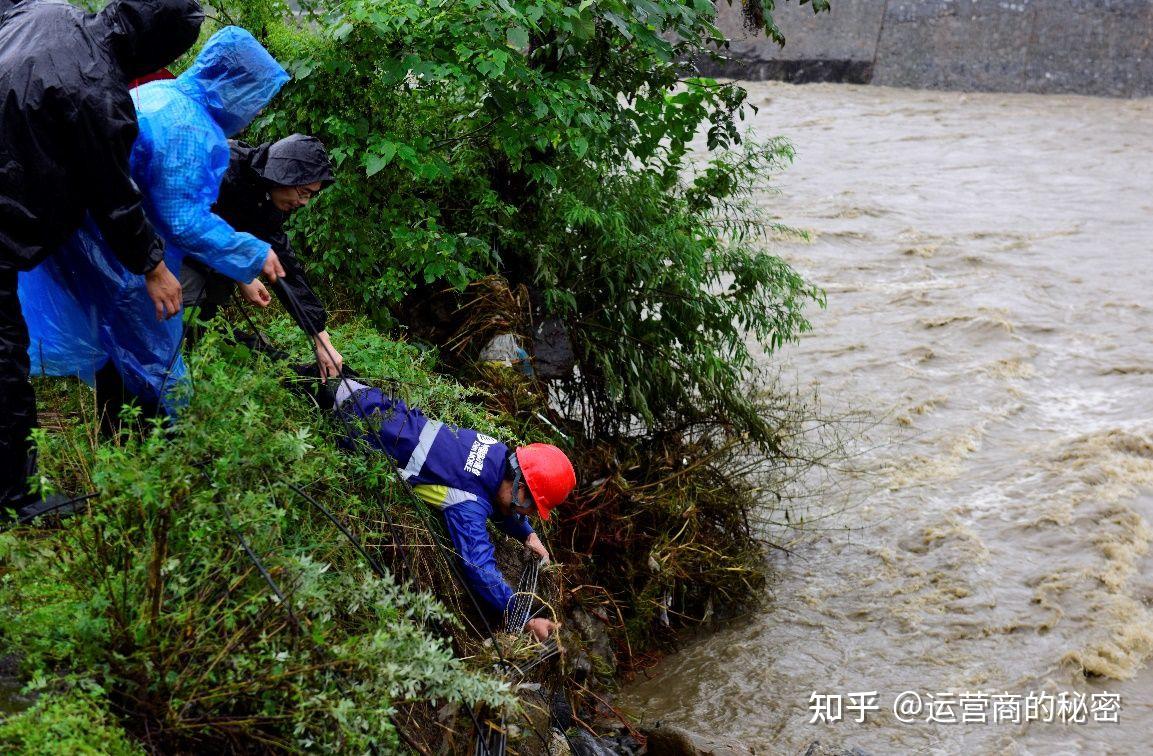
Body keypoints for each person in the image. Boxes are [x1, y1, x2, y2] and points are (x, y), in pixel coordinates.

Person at [19, 26, 291, 424]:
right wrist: (251, 252)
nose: (255, 109)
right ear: (235, 85)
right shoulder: (189, 128)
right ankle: (158, 454)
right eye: (255, 97)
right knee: (151, 362)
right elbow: (183, 221)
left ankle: (120, 440)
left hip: (91, 238)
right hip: (121, 254)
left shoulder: (160, 95)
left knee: (115, 346)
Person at [0, 0, 203, 515]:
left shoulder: (48, 13)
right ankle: (16, 497)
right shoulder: (99, 97)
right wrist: (154, 267)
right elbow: (114, 196)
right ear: (155, 48)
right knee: (5, 363)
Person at [308, 373, 576, 641]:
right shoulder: (466, 504)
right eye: (529, 506)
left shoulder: (496, 451)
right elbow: (478, 567)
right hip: (343, 422)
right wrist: (525, 617)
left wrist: (527, 534)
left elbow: (499, 500)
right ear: (520, 486)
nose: (526, 512)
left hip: (361, 392)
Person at [182, 134, 344, 378]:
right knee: (183, 308)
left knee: (208, 310)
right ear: (284, 174)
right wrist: (241, 271)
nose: (304, 202)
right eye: (303, 191)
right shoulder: (226, 167)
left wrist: (320, 337)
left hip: (212, 253)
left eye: (311, 195)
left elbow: (285, 268)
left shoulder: (269, 202)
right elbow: (184, 219)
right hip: (167, 246)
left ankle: (200, 343)